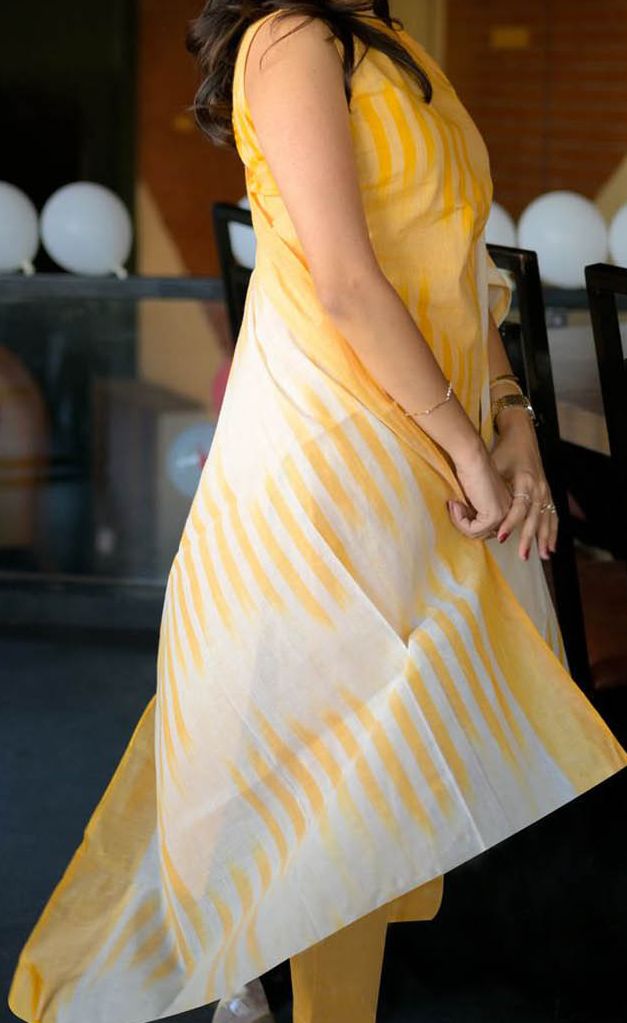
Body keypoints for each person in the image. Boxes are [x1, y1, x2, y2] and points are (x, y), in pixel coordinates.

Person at [7, 4, 627, 1023]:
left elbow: (458, 261)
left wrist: (512, 412)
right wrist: (466, 444)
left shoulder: (394, 43)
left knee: (362, 774)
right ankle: (262, 963)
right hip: (328, 457)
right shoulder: (290, 38)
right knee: (335, 774)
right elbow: (342, 281)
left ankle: (262, 960)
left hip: (424, 443)